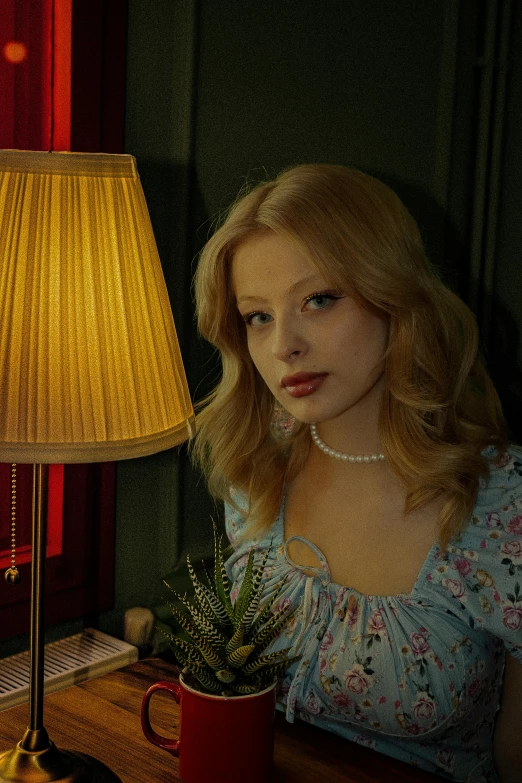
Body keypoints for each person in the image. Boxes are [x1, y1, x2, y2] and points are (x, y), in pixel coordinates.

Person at [191, 164, 522, 782]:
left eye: (318, 300)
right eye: (257, 316)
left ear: (394, 295)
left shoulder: (502, 502)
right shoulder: (255, 464)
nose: (283, 344)